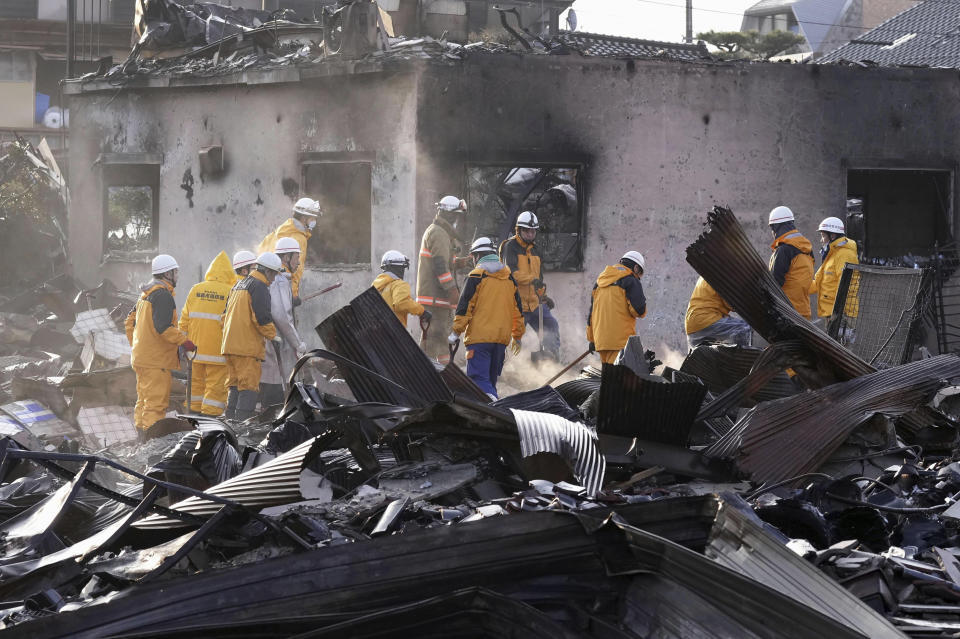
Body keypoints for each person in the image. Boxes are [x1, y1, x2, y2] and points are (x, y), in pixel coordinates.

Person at [124, 254, 195, 431]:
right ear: (167, 274)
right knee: (155, 405)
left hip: (142, 359)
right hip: (155, 362)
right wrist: (186, 342)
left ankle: (141, 439)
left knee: (143, 402)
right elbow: (163, 328)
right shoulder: (162, 296)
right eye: (175, 272)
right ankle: (150, 443)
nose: (177, 275)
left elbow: (128, 323)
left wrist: (139, 346)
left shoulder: (145, 295)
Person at [448, 237, 524, 400]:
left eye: (474, 256)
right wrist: (517, 336)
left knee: (478, 380)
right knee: (489, 381)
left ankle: (496, 408)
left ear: (478, 255)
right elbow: (518, 310)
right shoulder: (509, 278)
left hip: (479, 340)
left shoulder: (476, 277)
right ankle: (489, 417)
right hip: (500, 342)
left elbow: (464, 307)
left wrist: (456, 332)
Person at [221, 252, 281, 421]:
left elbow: (223, 317)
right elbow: (261, 318)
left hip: (230, 347)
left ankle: (229, 423)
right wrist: (274, 337)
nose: (274, 279)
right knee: (248, 389)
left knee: (234, 386)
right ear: (268, 271)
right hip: (246, 349)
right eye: (274, 274)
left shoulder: (238, 285)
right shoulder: (259, 287)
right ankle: (240, 427)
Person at [178, 251, 234, 415]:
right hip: (218, 353)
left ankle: (192, 419)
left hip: (194, 352)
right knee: (215, 391)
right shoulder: (230, 292)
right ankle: (209, 423)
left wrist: (182, 343)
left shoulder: (195, 289)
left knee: (195, 387)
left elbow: (184, 321)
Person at [499, 211, 560, 362]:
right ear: (518, 230)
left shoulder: (535, 250)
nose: (530, 234)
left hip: (534, 303)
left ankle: (552, 360)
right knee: (513, 338)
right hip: (516, 304)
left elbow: (539, 279)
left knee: (551, 325)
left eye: (533, 231)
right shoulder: (510, 246)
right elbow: (511, 273)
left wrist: (544, 297)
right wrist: (532, 280)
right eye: (527, 230)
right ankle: (505, 366)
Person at [417, 195, 467, 364]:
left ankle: (445, 375)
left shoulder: (441, 233)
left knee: (441, 342)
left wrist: (459, 262)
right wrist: (452, 290)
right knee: (431, 341)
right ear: (449, 214)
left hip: (437, 299)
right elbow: (440, 266)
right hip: (434, 299)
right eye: (457, 215)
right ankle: (428, 377)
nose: (458, 220)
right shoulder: (438, 233)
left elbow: (444, 262)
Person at [260, 238, 309, 408]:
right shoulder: (280, 280)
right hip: (276, 345)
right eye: (297, 256)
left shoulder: (281, 279)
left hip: (273, 345)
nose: (298, 261)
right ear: (286, 257)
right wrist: (298, 344)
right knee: (274, 391)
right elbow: (282, 316)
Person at [586, 251, 647, 365]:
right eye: (639, 273)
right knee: (619, 380)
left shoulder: (599, 283)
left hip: (601, 343)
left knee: (609, 379)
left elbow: (591, 315)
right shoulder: (631, 280)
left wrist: (591, 339)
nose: (638, 277)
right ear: (636, 267)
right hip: (621, 343)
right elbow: (639, 311)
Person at [257, 197, 321, 303]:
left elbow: (260, 253)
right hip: (281, 291)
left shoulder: (278, 232)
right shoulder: (300, 239)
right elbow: (296, 269)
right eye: (313, 218)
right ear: (304, 218)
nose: (314, 221)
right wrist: (293, 295)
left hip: (264, 287)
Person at [767, 206, 815, 319]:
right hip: (803, 312)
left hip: (787, 314)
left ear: (776, 227)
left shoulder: (784, 250)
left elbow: (774, 282)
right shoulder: (807, 250)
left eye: (772, 228)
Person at [810, 216, 859, 320]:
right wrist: (800, 287)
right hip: (833, 312)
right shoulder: (832, 255)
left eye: (823, 236)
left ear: (832, 236)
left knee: (841, 337)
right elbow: (819, 282)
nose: (821, 240)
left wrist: (838, 311)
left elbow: (846, 285)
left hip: (842, 314)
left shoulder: (844, 254)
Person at [684, 276, 752, 349]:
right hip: (706, 319)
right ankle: (744, 358)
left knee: (702, 357)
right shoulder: (721, 275)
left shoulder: (705, 274)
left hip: (691, 325)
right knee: (744, 328)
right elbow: (731, 303)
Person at [374, 250, 432, 328]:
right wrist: (422, 312)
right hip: (394, 330)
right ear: (398, 268)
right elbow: (401, 303)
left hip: (377, 330)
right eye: (402, 268)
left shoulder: (376, 286)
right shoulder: (399, 284)